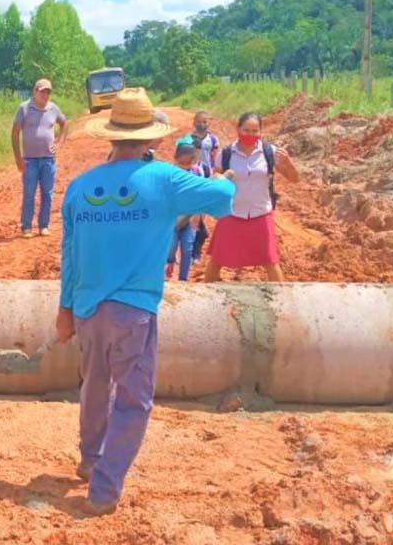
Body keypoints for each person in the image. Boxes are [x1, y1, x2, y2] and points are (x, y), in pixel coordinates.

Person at [56, 87, 236, 515]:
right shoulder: (163, 180)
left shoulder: (80, 189)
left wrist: (64, 311)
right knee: (134, 400)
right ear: (153, 139)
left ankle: (90, 458)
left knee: (94, 386)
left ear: (111, 136)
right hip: (134, 310)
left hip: (86, 310)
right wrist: (224, 178)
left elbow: (69, 254)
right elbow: (224, 201)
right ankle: (103, 490)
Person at [204, 112, 300, 282]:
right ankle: (205, 299)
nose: (251, 134)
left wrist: (288, 163)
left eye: (255, 131)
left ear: (261, 132)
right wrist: (218, 179)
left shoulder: (269, 152)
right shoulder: (226, 154)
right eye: (246, 130)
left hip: (260, 214)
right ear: (238, 129)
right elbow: (214, 179)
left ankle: (282, 303)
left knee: (270, 261)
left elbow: (294, 178)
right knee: (217, 260)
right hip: (231, 213)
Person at [12, 79, 67, 238]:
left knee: (47, 194)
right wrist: (18, 159)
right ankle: (26, 226)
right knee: (29, 193)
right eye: (42, 91)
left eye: (48, 92)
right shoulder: (24, 108)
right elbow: (15, 133)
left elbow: (64, 123)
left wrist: (60, 142)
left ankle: (44, 225)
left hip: (48, 159)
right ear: (35, 91)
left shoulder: (53, 108)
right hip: (30, 160)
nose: (45, 95)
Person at [165, 141, 204, 281]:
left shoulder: (197, 172)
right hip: (172, 218)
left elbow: (200, 195)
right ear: (175, 159)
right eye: (182, 162)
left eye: (189, 162)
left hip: (190, 216)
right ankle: (168, 267)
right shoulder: (169, 174)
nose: (185, 166)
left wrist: (198, 216)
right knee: (170, 247)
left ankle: (183, 279)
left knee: (187, 249)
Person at [177, 111, 220, 177]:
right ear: (194, 123)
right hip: (191, 170)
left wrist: (212, 169)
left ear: (209, 123)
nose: (201, 124)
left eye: (204, 122)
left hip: (207, 171)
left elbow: (214, 156)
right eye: (198, 122)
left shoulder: (213, 139)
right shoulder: (188, 138)